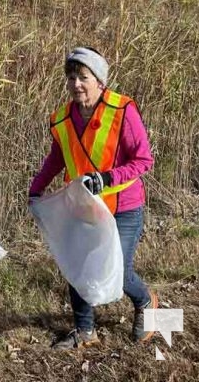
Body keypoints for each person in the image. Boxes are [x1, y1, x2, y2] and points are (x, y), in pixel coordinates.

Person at [29, 47, 158, 350]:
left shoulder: (122, 110)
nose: (76, 84)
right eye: (71, 77)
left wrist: (108, 178)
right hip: (84, 206)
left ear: (100, 80)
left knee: (119, 270)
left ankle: (146, 302)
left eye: (83, 77)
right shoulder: (62, 119)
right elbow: (56, 159)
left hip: (123, 206)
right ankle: (85, 331)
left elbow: (144, 160)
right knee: (78, 266)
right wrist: (36, 190)